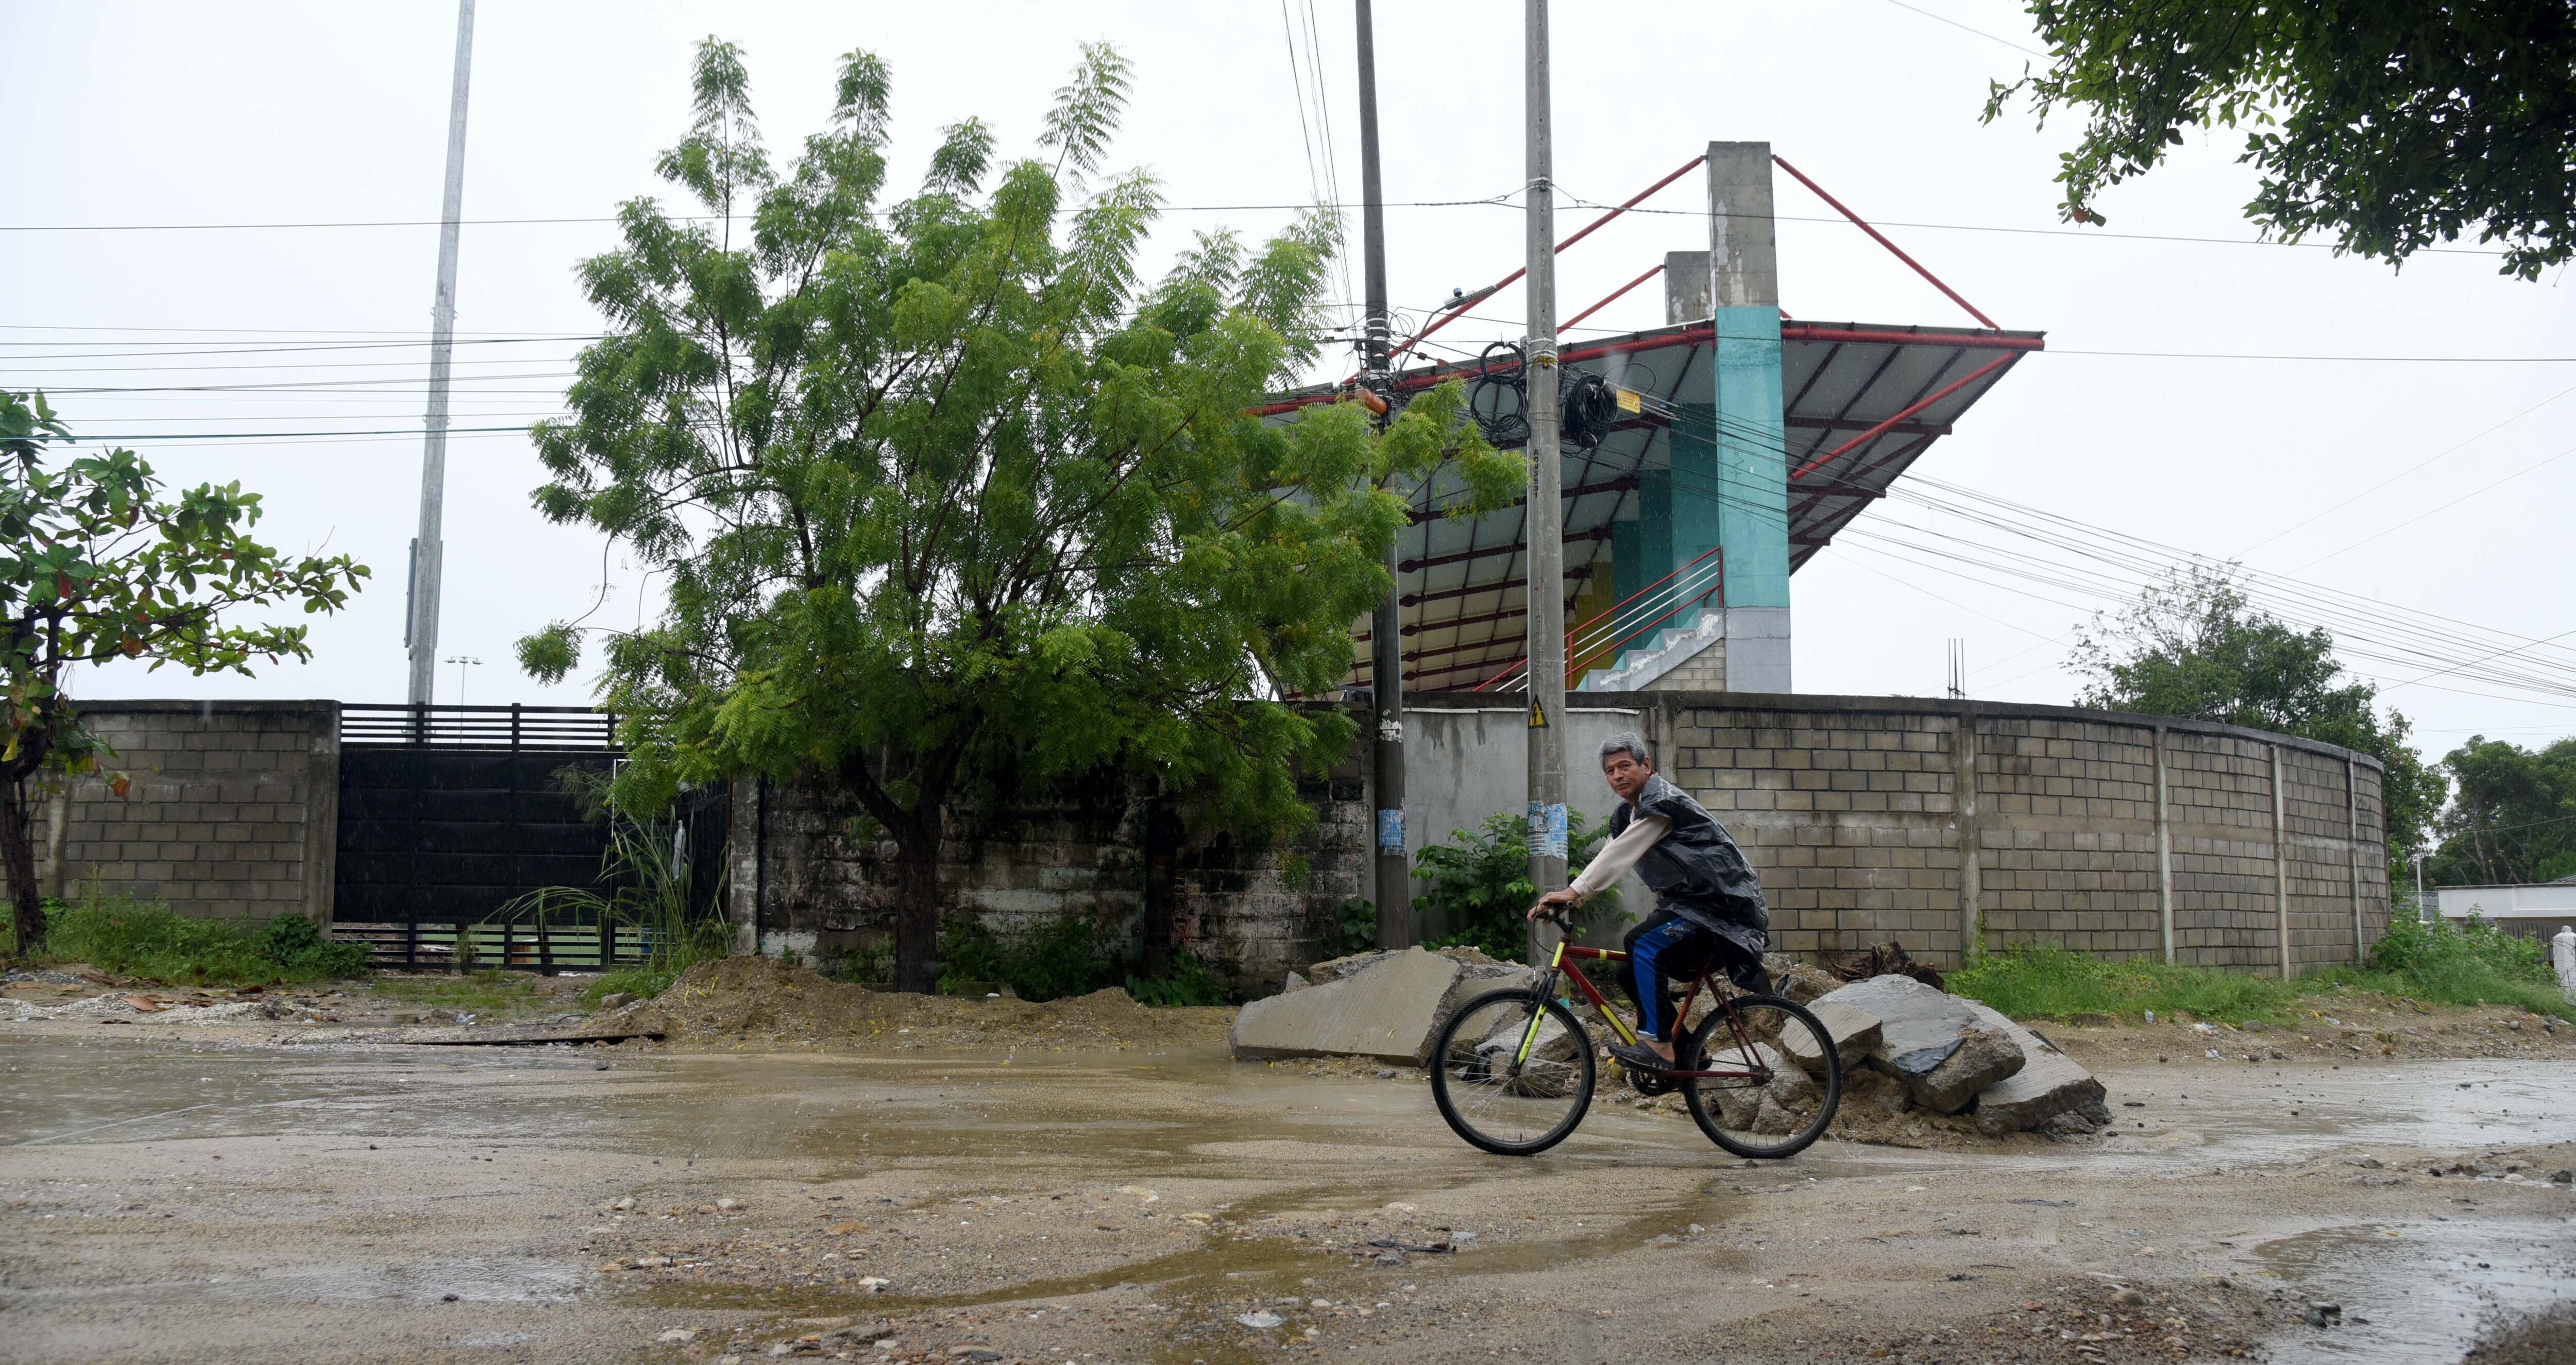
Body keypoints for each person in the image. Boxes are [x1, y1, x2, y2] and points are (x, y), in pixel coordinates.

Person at [1527, 731, 1771, 1076]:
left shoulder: (1662, 803)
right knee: (1628, 967)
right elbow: (1609, 856)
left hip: (1723, 912)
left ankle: (1658, 1046)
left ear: (1646, 766)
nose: (1617, 776)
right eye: (1610, 771)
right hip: (1694, 908)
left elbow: (1620, 855)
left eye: (1625, 766)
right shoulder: (1631, 814)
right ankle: (1688, 1050)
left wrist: (1572, 892)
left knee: (1642, 943)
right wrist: (1571, 900)